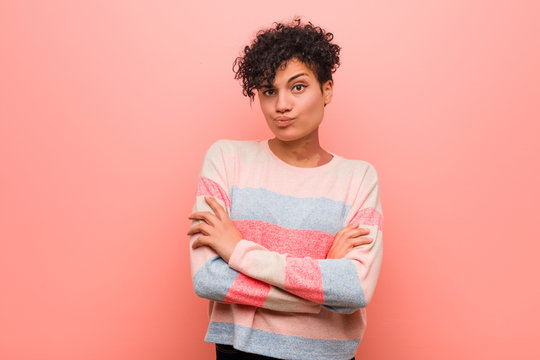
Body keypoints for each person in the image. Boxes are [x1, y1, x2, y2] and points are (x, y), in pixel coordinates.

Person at [187, 18, 383, 360]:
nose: (281, 105)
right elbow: (208, 279)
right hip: (239, 351)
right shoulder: (226, 159)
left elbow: (354, 288)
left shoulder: (359, 178)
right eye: (268, 90)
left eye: (297, 87)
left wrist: (236, 249)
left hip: (329, 355)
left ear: (327, 90)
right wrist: (320, 288)